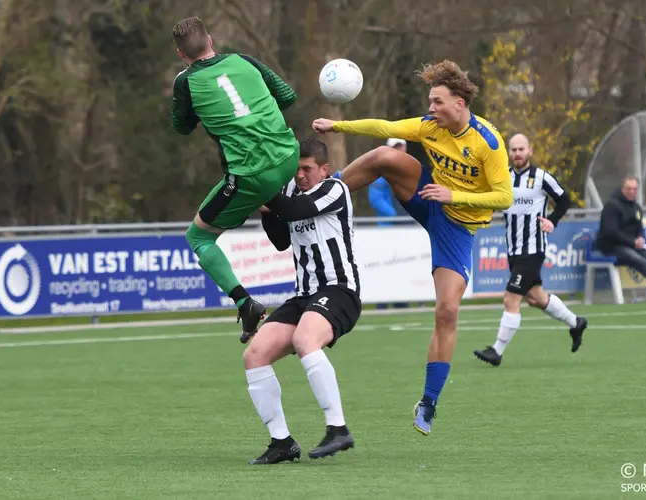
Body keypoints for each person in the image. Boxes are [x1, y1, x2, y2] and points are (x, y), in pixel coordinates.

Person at [312, 60, 513, 436]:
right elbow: (384, 128)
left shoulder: (487, 141)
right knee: (385, 156)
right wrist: (336, 125)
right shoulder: (430, 127)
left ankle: (429, 402)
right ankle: (325, 194)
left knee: (448, 311)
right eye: (430, 102)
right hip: (427, 198)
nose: (431, 108)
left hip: (457, 225)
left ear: (459, 103)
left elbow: (504, 196)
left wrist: (454, 194)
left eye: (437, 101)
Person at [170, 17, 299, 339]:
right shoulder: (243, 60)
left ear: (180, 54)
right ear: (211, 40)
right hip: (288, 155)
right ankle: (279, 223)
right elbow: (287, 96)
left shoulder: (185, 82)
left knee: (197, 238)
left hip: (251, 174)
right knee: (266, 199)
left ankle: (245, 304)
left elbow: (181, 127)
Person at [242, 138, 361, 464]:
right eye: (296, 170)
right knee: (254, 355)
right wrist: (267, 209)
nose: (301, 176)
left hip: (340, 291)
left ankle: (338, 428)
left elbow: (296, 210)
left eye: (307, 169)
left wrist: (262, 189)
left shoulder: (335, 189)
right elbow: (281, 239)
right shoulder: (291, 196)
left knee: (304, 339)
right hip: (304, 296)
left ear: (324, 169)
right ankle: (282, 442)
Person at [473, 134, 587, 366]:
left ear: (530, 151)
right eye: (513, 150)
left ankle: (497, 351)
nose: (517, 153)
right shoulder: (502, 177)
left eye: (521, 149)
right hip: (513, 250)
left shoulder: (542, 177)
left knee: (510, 299)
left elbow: (564, 200)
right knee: (536, 298)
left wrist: (552, 220)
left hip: (533, 249)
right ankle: (576, 323)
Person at [368, 138, 407, 226]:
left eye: (401, 147)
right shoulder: (380, 170)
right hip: (388, 226)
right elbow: (375, 199)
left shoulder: (409, 168)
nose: (399, 151)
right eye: (396, 147)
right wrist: (393, 216)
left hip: (408, 223)